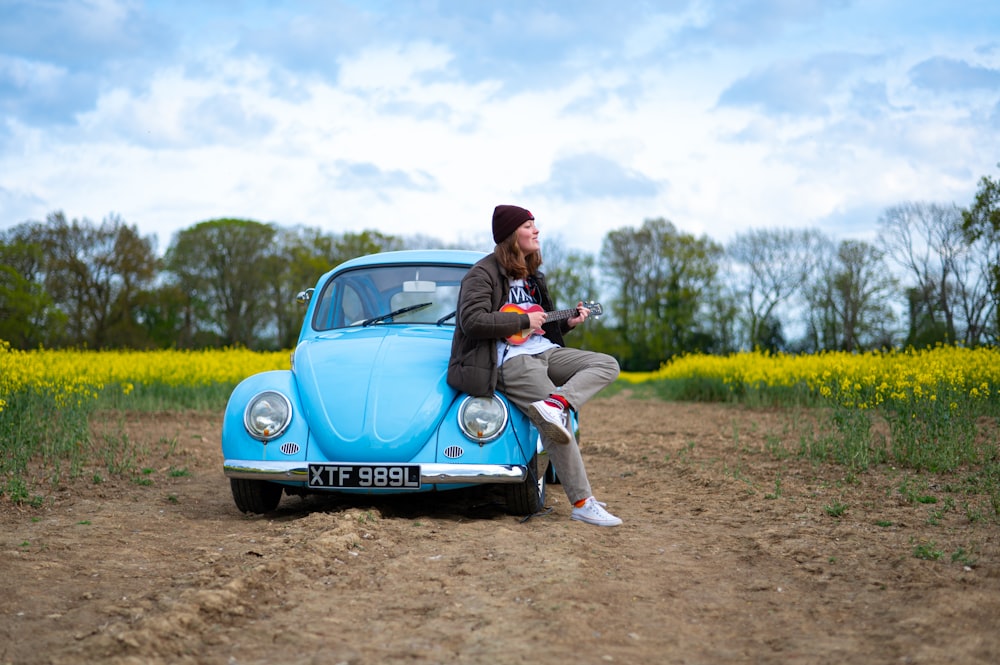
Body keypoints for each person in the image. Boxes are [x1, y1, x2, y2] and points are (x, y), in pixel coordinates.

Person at [447, 204, 622, 526]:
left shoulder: (533, 277)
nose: (537, 231)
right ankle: (583, 502)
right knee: (558, 427)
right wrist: (523, 318)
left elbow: (543, 329)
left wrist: (567, 322)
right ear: (512, 234)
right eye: (529, 226)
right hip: (508, 360)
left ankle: (555, 402)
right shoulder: (482, 273)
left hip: (543, 350)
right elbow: (471, 321)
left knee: (606, 364)